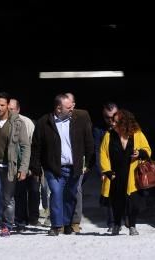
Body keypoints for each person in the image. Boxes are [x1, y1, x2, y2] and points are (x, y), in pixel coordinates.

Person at [30, 93, 94, 236]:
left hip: (74, 167)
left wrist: (89, 163)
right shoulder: (43, 122)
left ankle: (66, 223)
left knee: (71, 196)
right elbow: (36, 146)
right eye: (68, 107)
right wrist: (35, 167)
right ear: (59, 109)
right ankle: (56, 225)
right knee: (56, 193)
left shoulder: (79, 120)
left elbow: (88, 142)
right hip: (53, 168)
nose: (72, 109)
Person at [0, 92, 31, 236]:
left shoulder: (17, 122)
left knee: (8, 198)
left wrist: (23, 168)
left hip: (9, 165)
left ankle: (7, 225)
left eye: (2, 105)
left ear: (8, 106)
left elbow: (25, 146)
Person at [100, 108, 151, 236]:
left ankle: (132, 225)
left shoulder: (137, 134)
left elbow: (147, 150)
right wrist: (107, 171)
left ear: (125, 123)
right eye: (112, 121)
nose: (113, 123)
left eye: (116, 122)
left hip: (133, 174)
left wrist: (140, 153)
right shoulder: (109, 135)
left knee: (134, 202)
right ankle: (117, 224)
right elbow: (103, 153)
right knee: (116, 201)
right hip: (115, 174)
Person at [8, 98, 39, 230]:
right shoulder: (5, 123)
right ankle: (20, 221)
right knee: (19, 193)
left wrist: (31, 167)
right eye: (8, 109)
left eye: (12, 109)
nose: (9, 112)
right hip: (14, 165)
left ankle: (33, 217)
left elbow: (33, 145)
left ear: (18, 110)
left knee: (33, 190)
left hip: (29, 163)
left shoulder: (27, 123)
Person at [65, 92, 93, 233]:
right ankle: (63, 221)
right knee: (61, 190)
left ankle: (75, 221)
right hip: (62, 159)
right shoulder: (56, 116)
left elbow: (88, 139)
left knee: (76, 189)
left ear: (74, 104)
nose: (67, 107)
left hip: (78, 158)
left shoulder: (82, 115)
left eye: (69, 104)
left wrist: (88, 161)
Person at [93, 101, 119, 231]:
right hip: (107, 165)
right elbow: (97, 150)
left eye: (113, 116)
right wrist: (101, 171)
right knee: (108, 194)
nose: (110, 120)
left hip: (123, 164)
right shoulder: (98, 129)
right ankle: (112, 223)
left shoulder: (125, 126)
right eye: (107, 117)